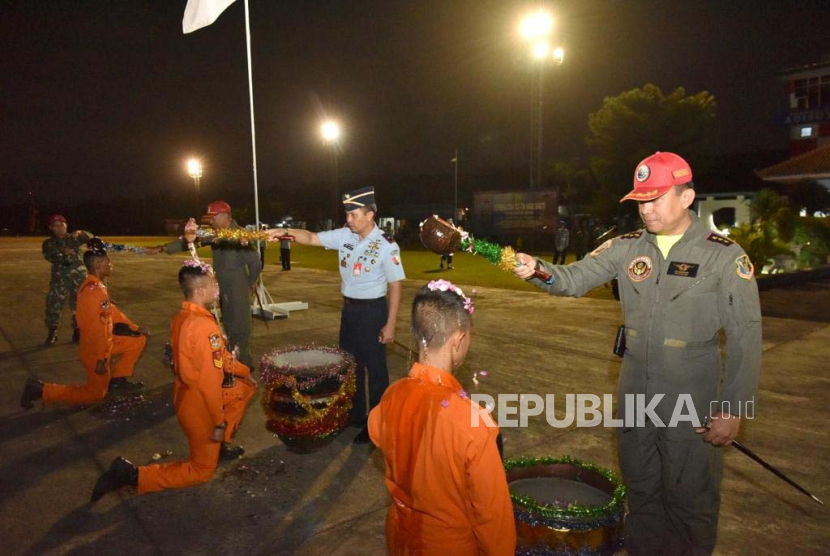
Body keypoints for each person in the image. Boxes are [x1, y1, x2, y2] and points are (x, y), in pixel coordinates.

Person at [513, 152, 762, 555]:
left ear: (686, 197)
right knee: (642, 494)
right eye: (641, 200)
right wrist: (536, 268)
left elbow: (746, 336)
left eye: (656, 199)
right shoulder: (626, 247)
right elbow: (572, 278)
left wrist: (733, 409)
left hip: (690, 400)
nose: (645, 210)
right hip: (635, 396)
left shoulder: (723, 256)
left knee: (690, 501)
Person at [368, 281, 515, 555]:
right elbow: (493, 516)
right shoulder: (473, 421)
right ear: (458, 339)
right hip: (449, 545)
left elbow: (378, 433)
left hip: (399, 536)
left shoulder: (391, 396)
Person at [90, 261, 256, 502]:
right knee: (201, 471)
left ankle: (216, 449)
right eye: (213, 284)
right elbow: (210, 383)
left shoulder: (183, 316)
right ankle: (132, 475)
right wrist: (219, 423)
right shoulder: (203, 328)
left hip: (185, 395)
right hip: (200, 405)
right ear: (200, 291)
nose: (217, 288)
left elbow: (218, 359)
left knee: (245, 387)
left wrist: (242, 371)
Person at [270, 187, 405, 444]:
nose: (348, 220)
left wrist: (390, 324)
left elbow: (395, 286)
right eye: (347, 214)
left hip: (372, 312)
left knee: (376, 371)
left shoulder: (386, 245)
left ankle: (377, 424)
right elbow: (310, 237)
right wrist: (282, 233)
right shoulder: (345, 235)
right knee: (349, 366)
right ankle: (353, 415)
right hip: (350, 311)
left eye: (354, 215)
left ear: (370, 214)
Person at [21, 239, 147, 410]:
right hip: (96, 349)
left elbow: (113, 312)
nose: (111, 264)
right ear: (99, 264)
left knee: (138, 340)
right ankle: (42, 390)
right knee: (95, 395)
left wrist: (135, 328)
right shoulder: (96, 292)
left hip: (104, 344)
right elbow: (99, 329)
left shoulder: (93, 285)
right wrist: (102, 359)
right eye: (108, 261)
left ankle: (118, 381)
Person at [151, 201, 261, 368]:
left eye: (213, 217)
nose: (210, 222)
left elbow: (255, 262)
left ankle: (244, 365)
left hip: (237, 287)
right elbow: (191, 240)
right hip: (221, 288)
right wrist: (165, 248)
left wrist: (250, 282)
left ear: (224, 216)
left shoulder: (238, 236)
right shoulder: (217, 234)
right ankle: (232, 363)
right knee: (228, 326)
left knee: (239, 328)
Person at [41, 214, 92, 346]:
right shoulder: (49, 243)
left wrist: (81, 232)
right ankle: (53, 332)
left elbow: (90, 236)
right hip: (60, 280)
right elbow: (50, 256)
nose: (59, 228)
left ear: (66, 225)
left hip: (79, 279)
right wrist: (63, 253)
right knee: (54, 305)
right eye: (55, 226)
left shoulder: (74, 238)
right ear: (51, 228)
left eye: (61, 225)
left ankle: (77, 330)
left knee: (79, 306)